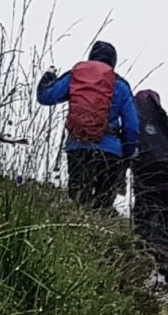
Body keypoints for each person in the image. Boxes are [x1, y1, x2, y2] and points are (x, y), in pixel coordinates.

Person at [36, 40, 139, 211]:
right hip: (110, 152)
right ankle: (96, 233)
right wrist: (126, 153)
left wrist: (49, 76)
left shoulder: (75, 76)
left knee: (78, 203)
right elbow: (132, 126)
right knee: (101, 207)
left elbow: (45, 97)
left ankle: (75, 235)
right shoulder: (120, 85)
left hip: (78, 146)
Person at [130, 89, 168, 283]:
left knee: (142, 224)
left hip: (144, 184)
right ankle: (165, 268)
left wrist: (136, 171)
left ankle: (142, 266)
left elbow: (129, 151)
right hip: (167, 185)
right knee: (164, 225)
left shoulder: (134, 124)